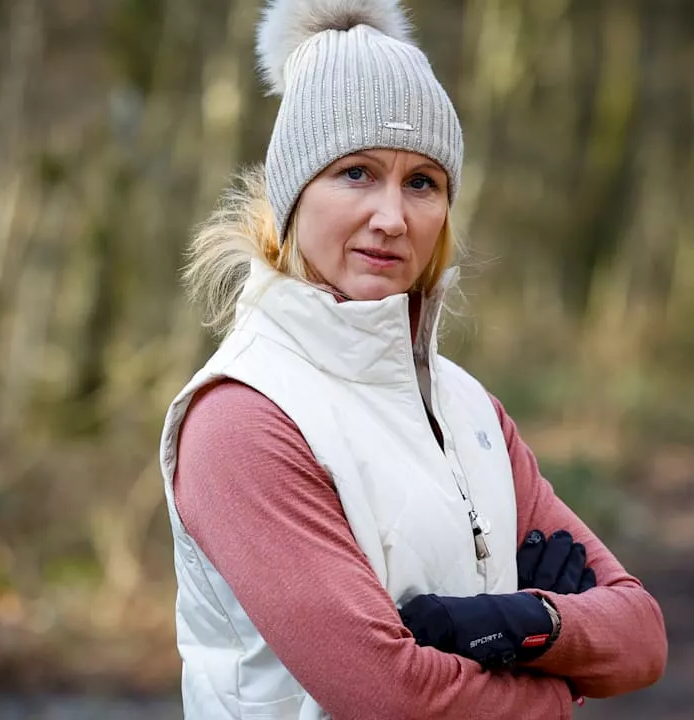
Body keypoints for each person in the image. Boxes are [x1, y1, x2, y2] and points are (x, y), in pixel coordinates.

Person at [157, 0, 668, 717]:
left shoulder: (469, 412)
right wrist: (556, 688)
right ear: (293, 194)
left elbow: (641, 636)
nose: (392, 217)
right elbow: (390, 696)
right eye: (357, 173)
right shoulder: (242, 420)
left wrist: (532, 623)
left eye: (422, 182)